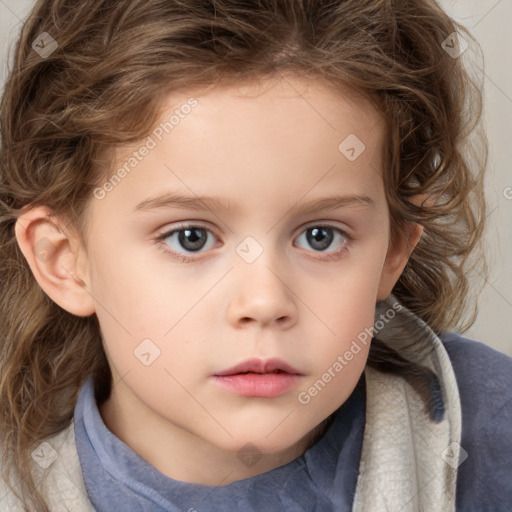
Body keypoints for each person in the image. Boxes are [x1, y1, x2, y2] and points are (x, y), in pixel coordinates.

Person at [0, 0, 511, 510]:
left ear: (393, 250)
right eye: (190, 238)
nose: (265, 302)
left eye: (320, 236)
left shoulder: (490, 430)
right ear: (64, 260)